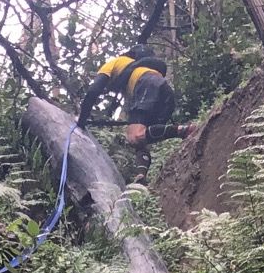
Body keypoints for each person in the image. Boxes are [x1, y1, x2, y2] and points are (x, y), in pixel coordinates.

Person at [76, 45, 195, 181]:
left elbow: (93, 90)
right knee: (141, 138)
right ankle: (141, 176)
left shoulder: (116, 62)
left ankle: (183, 130)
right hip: (164, 90)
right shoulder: (135, 73)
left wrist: (81, 120)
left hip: (145, 84)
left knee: (135, 136)